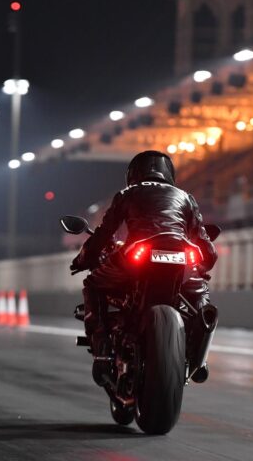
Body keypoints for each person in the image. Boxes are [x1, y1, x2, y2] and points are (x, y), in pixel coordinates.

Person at [70, 150, 218, 385]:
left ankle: (102, 349)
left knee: (93, 285)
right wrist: (203, 264)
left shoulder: (127, 194)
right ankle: (199, 357)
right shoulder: (185, 197)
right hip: (181, 254)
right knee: (199, 294)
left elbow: (103, 234)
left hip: (138, 254)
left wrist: (83, 259)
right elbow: (206, 247)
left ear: (133, 174)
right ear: (169, 174)